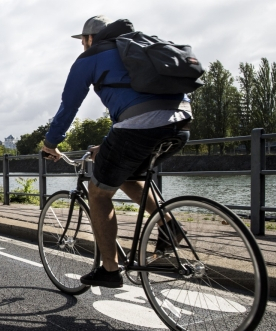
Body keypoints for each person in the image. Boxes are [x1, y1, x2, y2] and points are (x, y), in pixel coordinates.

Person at [41, 16, 190, 288]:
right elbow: (134, 105)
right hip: (181, 124)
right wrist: (106, 144)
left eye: (82, 41)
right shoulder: (140, 48)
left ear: (89, 39)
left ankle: (109, 269)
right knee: (127, 176)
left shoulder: (91, 57)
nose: (82, 46)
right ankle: (170, 227)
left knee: (98, 193)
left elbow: (69, 106)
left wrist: (50, 144)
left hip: (140, 128)